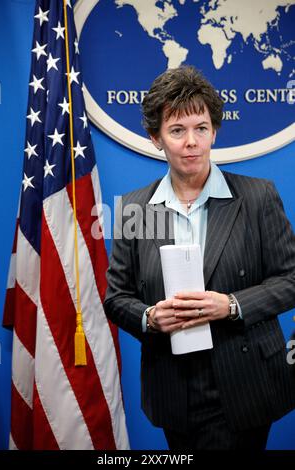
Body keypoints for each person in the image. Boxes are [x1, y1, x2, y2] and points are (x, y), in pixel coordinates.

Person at [103, 65, 295, 450]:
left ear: (214, 131)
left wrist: (232, 305)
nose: (191, 142)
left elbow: (290, 280)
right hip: (174, 385)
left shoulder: (258, 197)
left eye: (201, 128)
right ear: (155, 137)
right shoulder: (136, 209)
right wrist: (150, 317)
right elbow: (116, 298)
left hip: (246, 379)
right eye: (177, 131)